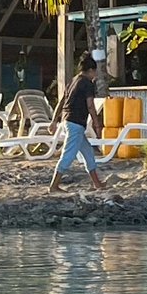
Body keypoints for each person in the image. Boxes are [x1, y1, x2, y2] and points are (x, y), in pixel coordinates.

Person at [48, 56, 105, 193]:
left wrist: (54, 121)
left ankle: (97, 183)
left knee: (88, 153)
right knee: (68, 154)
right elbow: (90, 106)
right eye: (94, 72)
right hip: (76, 123)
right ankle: (54, 186)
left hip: (68, 120)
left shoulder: (73, 81)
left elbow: (62, 102)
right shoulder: (87, 83)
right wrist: (97, 125)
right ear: (90, 70)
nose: (95, 75)